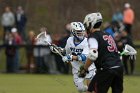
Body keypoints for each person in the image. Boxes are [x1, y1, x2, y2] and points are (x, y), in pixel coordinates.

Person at [79, 13, 124, 93]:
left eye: (86, 25)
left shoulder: (93, 36)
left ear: (90, 24)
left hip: (106, 69)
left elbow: (93, 54)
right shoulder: (108, 35)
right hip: (119, 67)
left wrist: (85, 69)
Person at [62, 22, 96, 93]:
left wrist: (70, 57)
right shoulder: (69, 40)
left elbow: (84, 57)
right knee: (80, 89)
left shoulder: (87, 41)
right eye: (79, 32)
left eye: (82, 32)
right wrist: (60, 50)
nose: (81, 33)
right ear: (73, 32)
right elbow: (66, 52)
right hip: (76, 67)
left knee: (90, 86)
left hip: (88, 66)